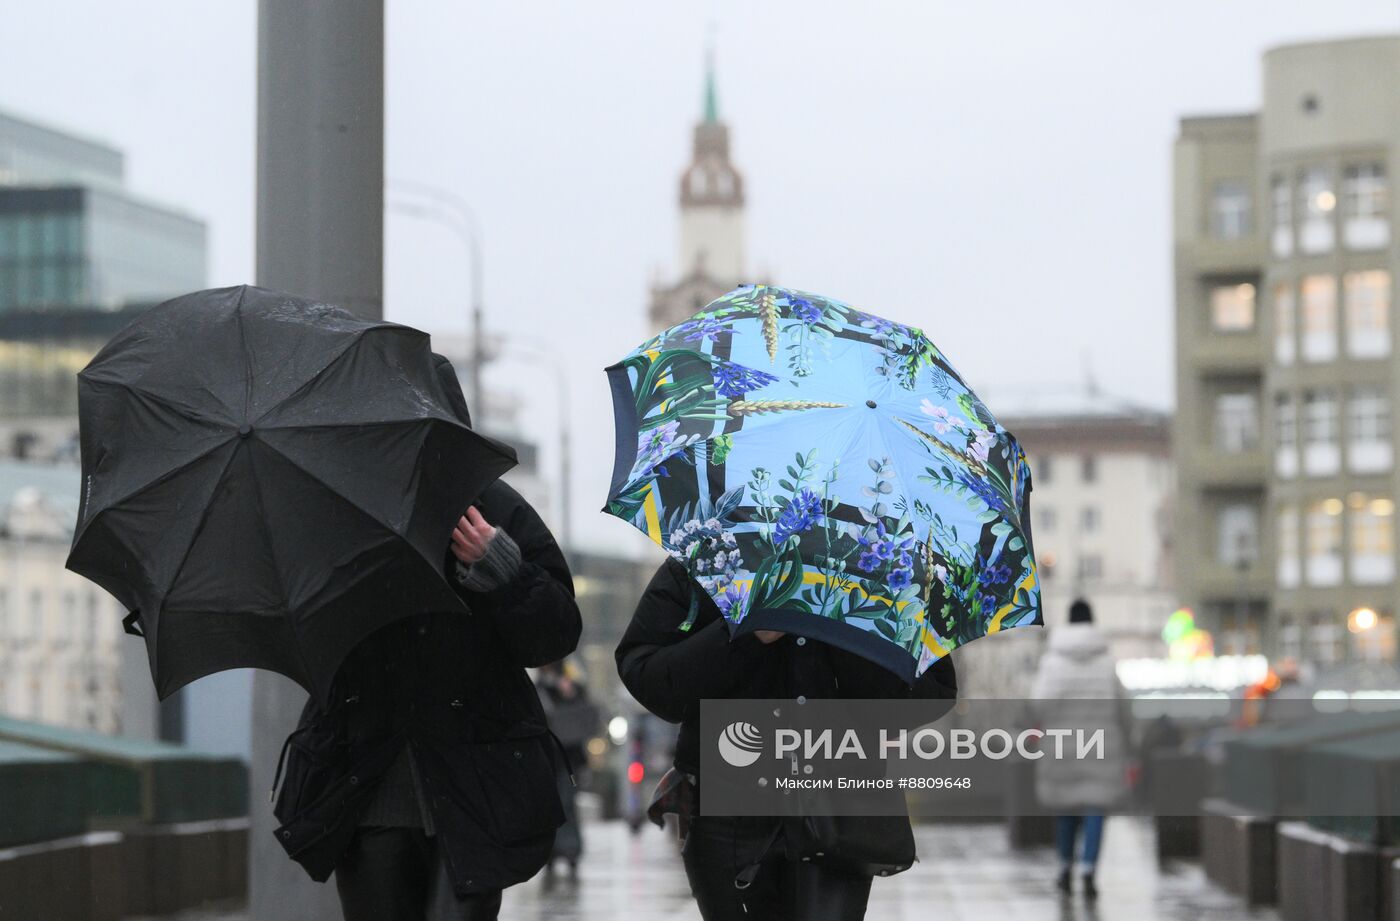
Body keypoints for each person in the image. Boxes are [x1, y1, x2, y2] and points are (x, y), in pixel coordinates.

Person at [271, 356, 582, 921]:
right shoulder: (332, 514)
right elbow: (302, 633)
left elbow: (555, 635)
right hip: (369, 783)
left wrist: (503, 569)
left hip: (474, 786)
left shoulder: (493, 508)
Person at [616, 557, 958, 921]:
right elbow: (648, 677)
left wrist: (848, 627)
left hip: (838, 811)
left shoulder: (883, 569)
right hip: (727, 814)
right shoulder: (711, 556)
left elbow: (931, 692)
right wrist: (748, 632)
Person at [1030, 598, 1129, 901]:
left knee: (1065, 808)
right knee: (1095, 807)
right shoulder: (1106, 662)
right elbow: (1124, 707)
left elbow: (1038, 704)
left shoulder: (1052, 662)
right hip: (1101, 746)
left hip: (1062, 747)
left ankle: (1063, 867)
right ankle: (1087, 869)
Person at [534, 659, 599, 883]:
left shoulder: (572, 684)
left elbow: (584, 716)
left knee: (568, 802)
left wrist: (569, 694)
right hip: (546, 757)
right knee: (548, 805)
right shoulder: (538, 688)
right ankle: (551, 853)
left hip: (569, 757)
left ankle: (570, 851)